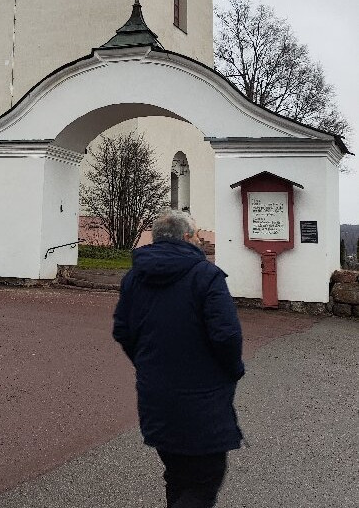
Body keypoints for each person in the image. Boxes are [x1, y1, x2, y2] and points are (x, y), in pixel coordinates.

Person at [112, 210, 245, 508]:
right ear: (187, 238)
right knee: (203, 481)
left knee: (177, 475)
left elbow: (123, 330)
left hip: (156, 394)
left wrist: (148, 363)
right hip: (203, 397)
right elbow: (226, 335)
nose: (200, 241)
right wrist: (232, 370)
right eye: (197, 236)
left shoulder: (134, 277)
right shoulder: (205, 275)